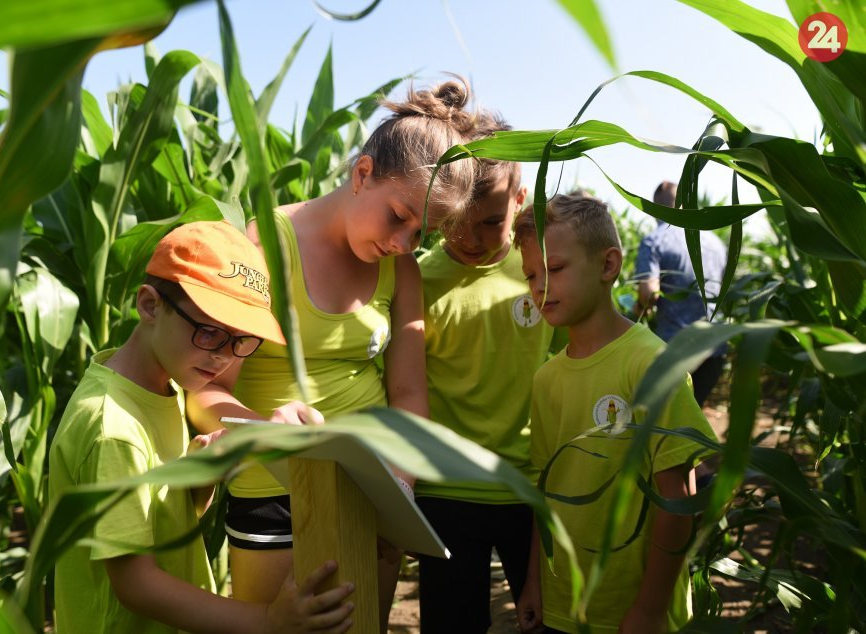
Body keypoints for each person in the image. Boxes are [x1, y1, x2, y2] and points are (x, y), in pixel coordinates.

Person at [186, 78, 477, 632]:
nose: (404, 243)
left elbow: (410, 390)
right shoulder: (266, 246)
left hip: (372, 491)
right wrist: (263, 429)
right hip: (273, 488)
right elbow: (205, 391)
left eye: (426, 232)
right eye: (399, 216)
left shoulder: (402, 269)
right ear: (361, 174)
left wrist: (402, 485)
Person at [48, 221, 355, 634]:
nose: (224, 358)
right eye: (209, 332)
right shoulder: (113, 427)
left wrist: (199, 479)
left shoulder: (161, 386)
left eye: (240, 340)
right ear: (150, 305)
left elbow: (158, 520)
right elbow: (135, 584)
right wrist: (267, 620)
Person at [513, 194, 717, 633]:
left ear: (608, 266)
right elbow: (544, 495)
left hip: (636, 612)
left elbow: (678, 500)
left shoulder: (650, 364)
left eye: (556, 269)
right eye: (531, 274)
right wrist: (534, 581)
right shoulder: (546, 379)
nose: (539, 286)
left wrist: (649, 609)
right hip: (563, 606)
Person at [415, 111, 554, 633]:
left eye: (491, 222)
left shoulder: (541, 271)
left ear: (519, 203)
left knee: (548, 619)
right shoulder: (419, 281)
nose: (469, 238)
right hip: (446, 493)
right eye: (453, 221)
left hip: (531, 486)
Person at [634, 181, 728, 405]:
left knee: (669, 422)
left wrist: (638, 308)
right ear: (685, 204)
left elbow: (649, 294)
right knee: (694, 414)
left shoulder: (654, 240)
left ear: (655, 208)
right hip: (715, 346)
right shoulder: (715, 242)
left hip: (675, 351)